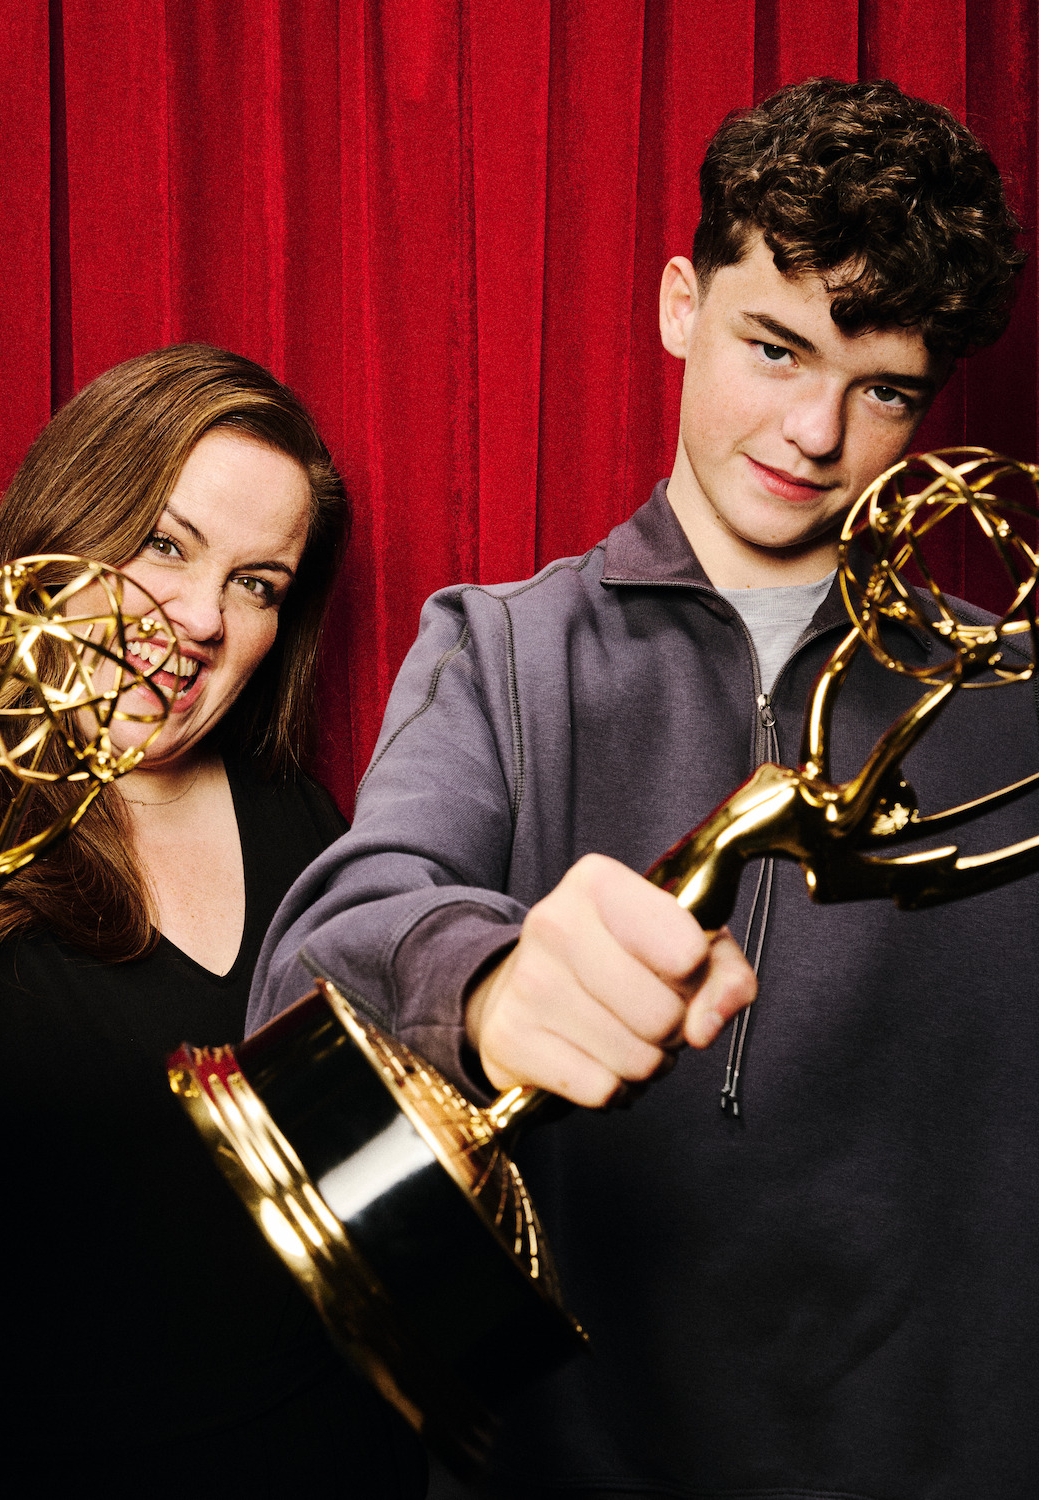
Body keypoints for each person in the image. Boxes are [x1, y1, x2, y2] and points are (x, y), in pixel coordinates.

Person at [250, 80, 1039, 1499]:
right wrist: (483, 986)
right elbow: (317, 958)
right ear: (682, 304)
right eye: (774, 347)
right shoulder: (500, 648)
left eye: (885, 391)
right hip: (568, 1461)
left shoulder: (1018, 704)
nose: (815, 433)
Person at [0, 345, 426, 1498]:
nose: (203, 617)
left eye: (259, 583)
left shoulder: (297, 813)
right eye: (165, 543)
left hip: (342, 1459)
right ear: (63, 523)